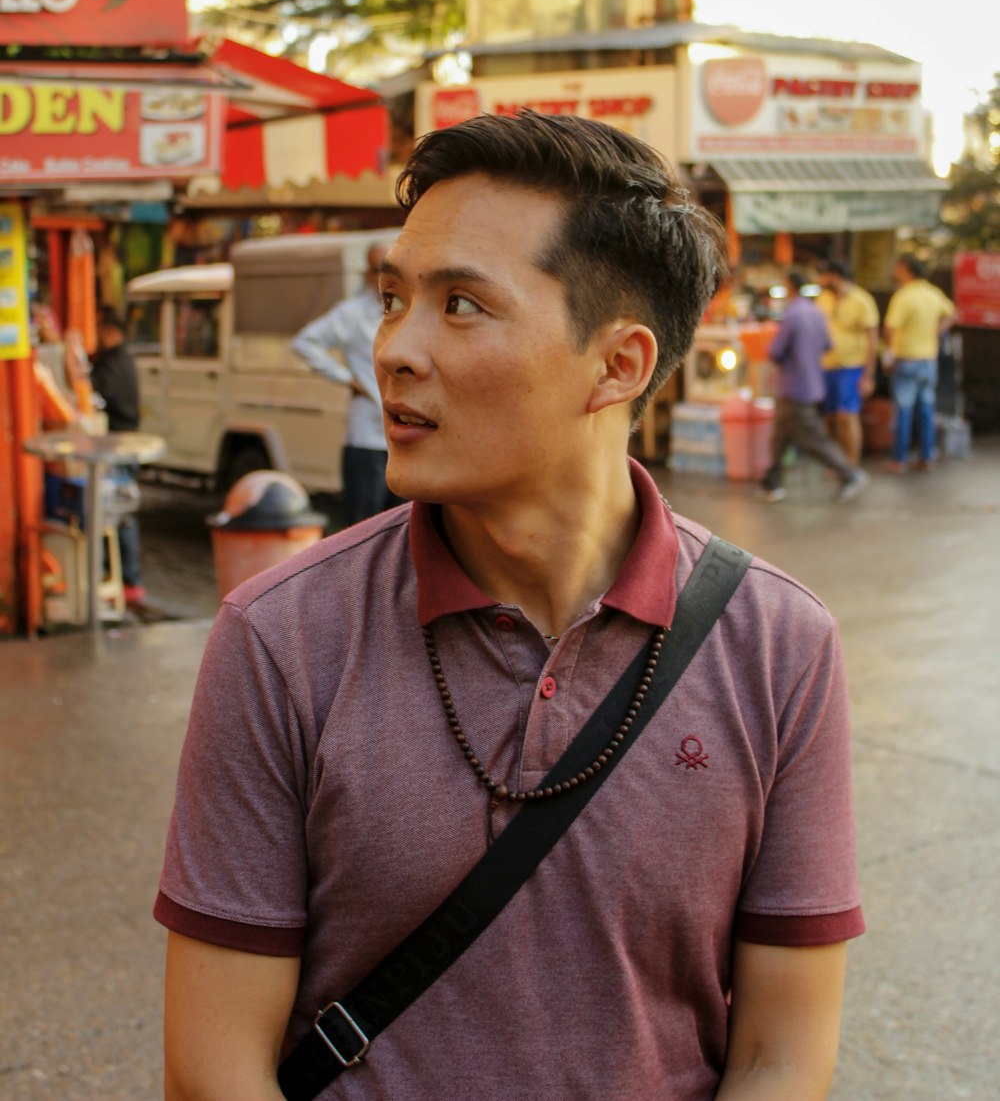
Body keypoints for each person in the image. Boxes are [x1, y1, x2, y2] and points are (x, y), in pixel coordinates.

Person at [157, 114, 864, 1101]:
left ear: (617, 365)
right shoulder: (281, 636)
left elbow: (783, 1056)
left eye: (459, 305)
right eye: (394, 298)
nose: (393, 350)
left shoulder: (778, 645)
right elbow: (211, 1065)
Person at [292, 243, 395, 527]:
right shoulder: (352, 313)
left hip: (402, 438)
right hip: (367, 440)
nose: (386, 277)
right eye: (379, 270)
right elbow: (305, 342)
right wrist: (347, 379)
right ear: (366, 274)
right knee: (364, 526)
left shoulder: (407, 308)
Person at [761, 270, 869, 504]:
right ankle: (772, 482)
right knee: (781, 436)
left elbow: (775, 351)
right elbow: (828, 345)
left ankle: (850, 474)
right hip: (811, 383)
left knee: (811, 438)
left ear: (789, 286)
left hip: (794, 385)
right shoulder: (817, 312)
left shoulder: (792, 315)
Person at [90, 307, 145, 608]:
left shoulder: (113, 364)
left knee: (120, 513)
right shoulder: (122, 359)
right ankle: (127, 580)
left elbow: (92, 393)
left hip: (117, 448)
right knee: (120, 512)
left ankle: (130, 580)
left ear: (110, 330)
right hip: (122, 446)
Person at [882, 254, 956, 473]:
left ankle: (899, 459)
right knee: (925, 410)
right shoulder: (933, 293)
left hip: (907, 360)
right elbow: (952, 314)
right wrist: (937, 331)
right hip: (928, 360)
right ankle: (927, 456)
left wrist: (888, 354)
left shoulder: (904, 296)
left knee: (903, 410)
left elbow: (889, 329)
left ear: (905, 268)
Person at [817, 259, 879, 467]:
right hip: (826, 366)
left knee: (846, 416)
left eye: (825, 276)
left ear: (835, 276)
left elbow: (872, 340)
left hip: (852, 367)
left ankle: (851, 465)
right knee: (830, 418)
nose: (821, 280)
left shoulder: (862, 301)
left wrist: (869, 374)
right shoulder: (823, 299)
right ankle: (836, 463)